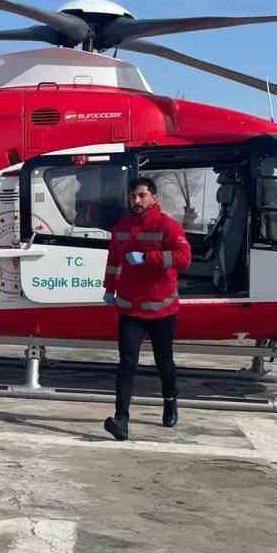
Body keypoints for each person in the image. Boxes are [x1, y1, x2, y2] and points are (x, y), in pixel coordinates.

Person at [102, 176, 191, 440]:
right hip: (129, 309)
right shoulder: (121, 226)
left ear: (153, 197)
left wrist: (149, 258)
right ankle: (121, 419)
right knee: (126, 364)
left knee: (164, 363)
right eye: (133, 196)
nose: (137, 201)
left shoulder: (167, 225)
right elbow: (113, 260)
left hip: (161, 310)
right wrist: (108, 288)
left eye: (142, 195)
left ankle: (170, 399)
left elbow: (184, 258)